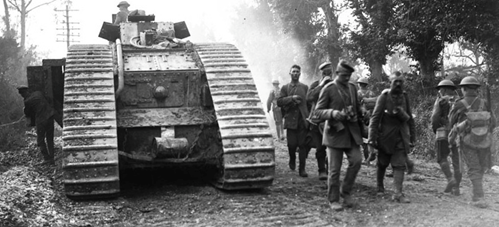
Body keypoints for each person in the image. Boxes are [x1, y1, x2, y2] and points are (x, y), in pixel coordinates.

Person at [312, 61, 365, 211]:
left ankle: (345, 191)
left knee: (357, 161)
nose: (347, 78)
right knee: (334, 170)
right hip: (335, 133)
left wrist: (361, 110)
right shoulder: (329, 88)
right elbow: (317, 112)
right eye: (344, 75)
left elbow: (357, 105)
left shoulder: (353, 87)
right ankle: (333, 199)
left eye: (349, 76)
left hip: (352, 133)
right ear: (337, 74)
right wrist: (333, 113)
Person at [368, 71, 416, 203]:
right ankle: (379, 185)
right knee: (382, 163)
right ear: (391, 83)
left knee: (399, 164)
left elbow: (410, 118)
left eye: (401, 82)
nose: (399, 84)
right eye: (396, 82)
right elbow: (375, 118)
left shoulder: (405, 97)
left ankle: (398, 193)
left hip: (401, 136)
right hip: (385, 136)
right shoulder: (384, 97)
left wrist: (412, 137)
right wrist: (371, 139)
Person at [448, 76, 495, 208]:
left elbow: (451, 122)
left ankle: (478, 197)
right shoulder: (485, 103)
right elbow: (494, 122)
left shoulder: (458, 104)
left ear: (464, 89)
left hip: (467, 141)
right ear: (476, 89)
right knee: (480, 168)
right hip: (485, 140)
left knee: (473, 168)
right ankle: (478, 194)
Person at [277, 65, 310, 177]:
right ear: (290, 73)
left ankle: (302, 169)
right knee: (291, 145)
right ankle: (292, 159)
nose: (295, 73)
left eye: (297, 72)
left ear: (300, 74)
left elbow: (309, 103)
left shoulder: (305, 87)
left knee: (302, 145)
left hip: (302, 120)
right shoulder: (285, 88)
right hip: (290, 120)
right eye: (293, 72)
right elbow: (279, 102)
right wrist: (291, 98)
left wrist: (309, 117)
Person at [431, 80, 461, 195]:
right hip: (457, 133)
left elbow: (435, 117)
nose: (439, 91)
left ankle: (450, 179)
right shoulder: (460, 101)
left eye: (440, 89)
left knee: (441, 157)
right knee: (456, 161)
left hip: (443, 133)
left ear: (443, 89)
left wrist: (436, 130)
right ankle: (456, 188)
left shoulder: (441, 101)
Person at [305, 61, 332, 181]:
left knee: (332, 146)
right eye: (325, 71)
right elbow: (309, 97)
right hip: (317, 120)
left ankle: (330, 168)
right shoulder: (316, 84)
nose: (328, 73)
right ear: (321, 73)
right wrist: (322, 85)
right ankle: (322, 170)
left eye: (330, 71)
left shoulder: (335, 84)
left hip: (331, 119)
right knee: (320, 147)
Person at [17, 86, 56, 165]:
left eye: (22, 94)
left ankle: (47, 158)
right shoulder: (38, 93)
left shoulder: (27, 101)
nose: (22, 96)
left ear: (23, 94)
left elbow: (28, 114)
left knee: (40, 140)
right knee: (49, 138)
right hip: (50, 116)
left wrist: (25, 110)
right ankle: (52, 157)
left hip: (41, 120)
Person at [356, 77, 377, 164]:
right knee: (370, 137)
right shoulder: (371, 93)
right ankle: (370, 156)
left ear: (359, 84)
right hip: (371, 116)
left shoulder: (358, 93)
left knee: (362, 138)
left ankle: (367, 158)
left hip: (361, 117)